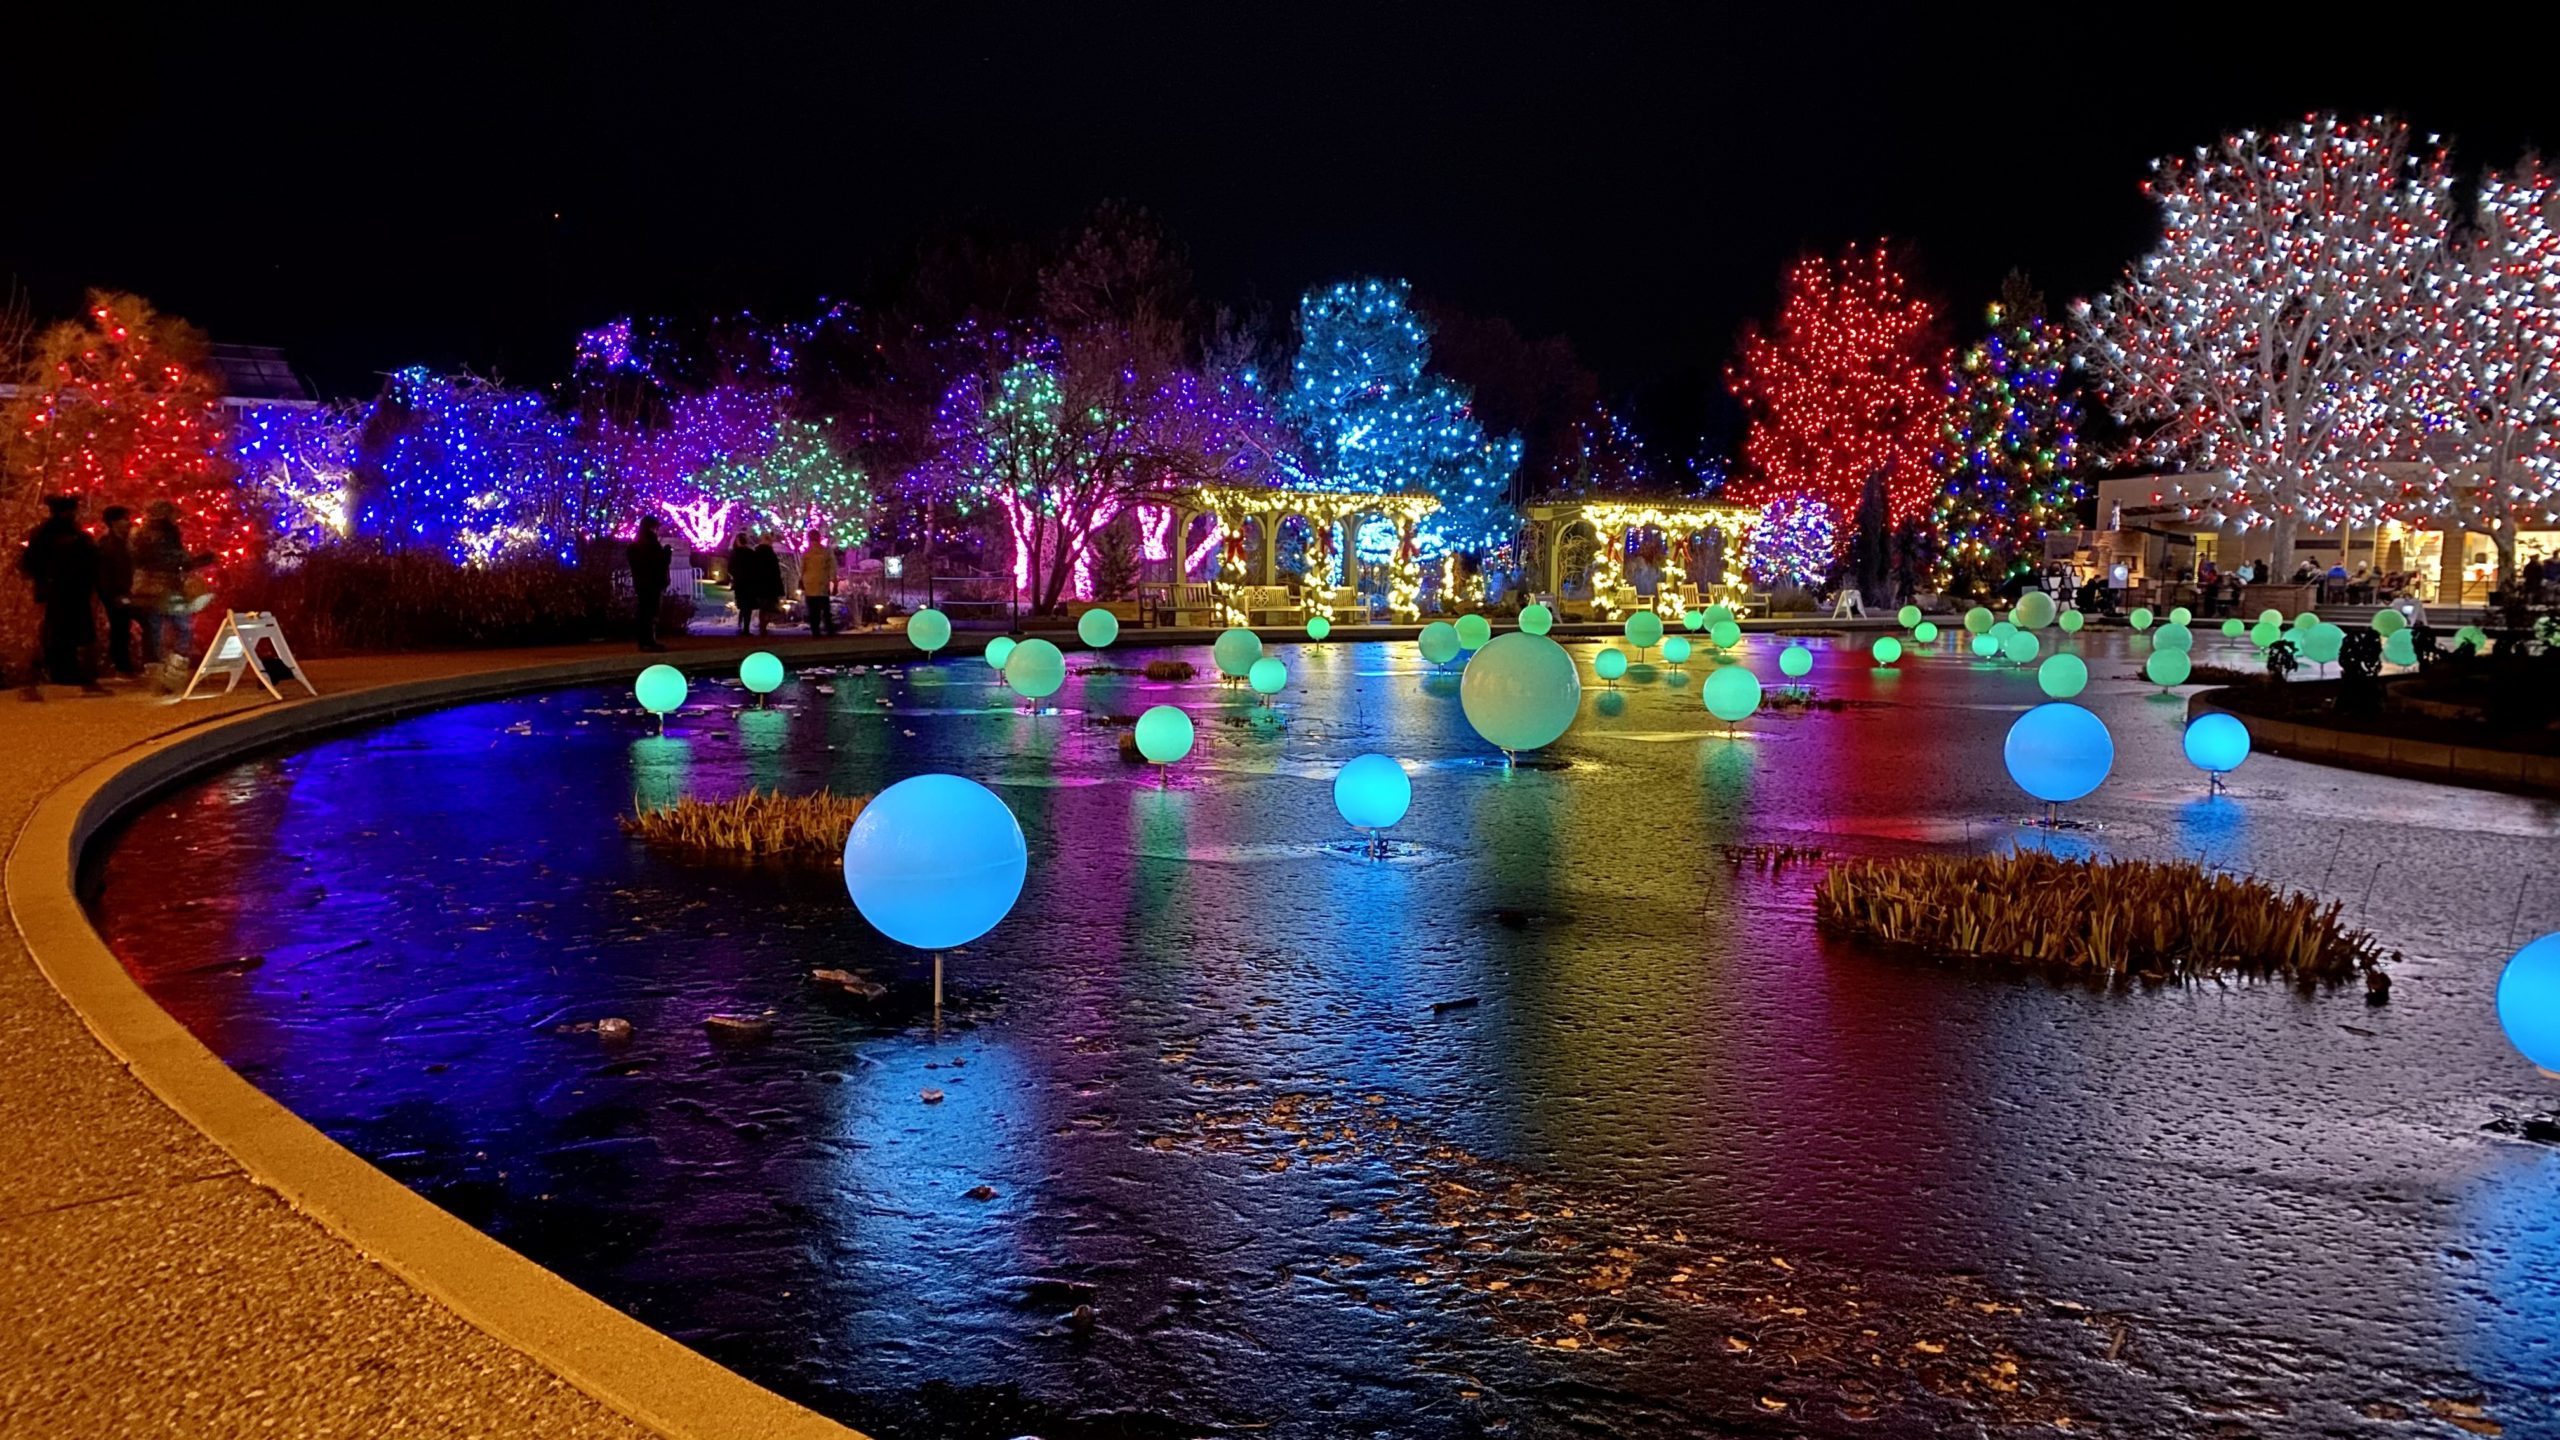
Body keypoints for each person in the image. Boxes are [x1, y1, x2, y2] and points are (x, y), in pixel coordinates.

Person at [17, 494, 108, 697]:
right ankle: (62, 670)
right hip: (61, 590)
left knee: (68, 631)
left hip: (72, 590)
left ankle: (67, 668)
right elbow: (33, 562)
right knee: (62, 631)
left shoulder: (64, 533)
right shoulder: (51, 534)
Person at [130, 500, 209, 682]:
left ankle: (154, 668)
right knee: (183, 628)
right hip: (166, 588)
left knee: (154, 630)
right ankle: (175, 666)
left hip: (146, 589)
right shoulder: (167, 535)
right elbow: (176, 560)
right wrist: (196, 561)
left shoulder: (139, 535)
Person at [97, 505, 147, 676]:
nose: (128, 522)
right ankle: (122, 666)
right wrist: (113, 595)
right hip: (117, 594)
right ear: (113, 522)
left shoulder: (126, 542)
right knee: (120, 628)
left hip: (127, 592)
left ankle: (130, 665)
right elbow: (104, 574)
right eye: (124, 519)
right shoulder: (108, 545)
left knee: (127, 626)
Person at [627, 515, 671, 652]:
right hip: (652, 582)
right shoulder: (651, 543)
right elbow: (659, 562)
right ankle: (649, 641)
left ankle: (644, 641)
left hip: (641, 582)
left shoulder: (636, 544)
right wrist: (667, 553)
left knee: (644, 611)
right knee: (650, 612)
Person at [799, 529, 838, 636]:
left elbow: (802, 569)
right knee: (825, 607)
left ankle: (815, 630)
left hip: (809, 583)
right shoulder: (826, 552)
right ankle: (829, 629)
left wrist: (801, 581)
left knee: (812, 609)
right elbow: (832, 568)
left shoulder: (807, 553)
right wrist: (834, 582)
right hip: (822, 582)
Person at [725, 532, 761, 635]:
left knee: (743, 605)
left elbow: (730, 569)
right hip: (750, 583)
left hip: (740, 583)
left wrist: (735, 576)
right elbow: (756, 568)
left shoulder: (735, 554)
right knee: (748, 606)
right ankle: (745, 627)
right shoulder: (751, 553)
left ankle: (741, 625)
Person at [750, 534, 784, 636]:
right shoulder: (771, 554)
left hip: (759, 583)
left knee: (762, 606)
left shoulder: (756, 553)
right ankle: (764, 624)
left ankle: (762, 625)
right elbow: (776, 572)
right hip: (770, 584)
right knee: (768, 606)